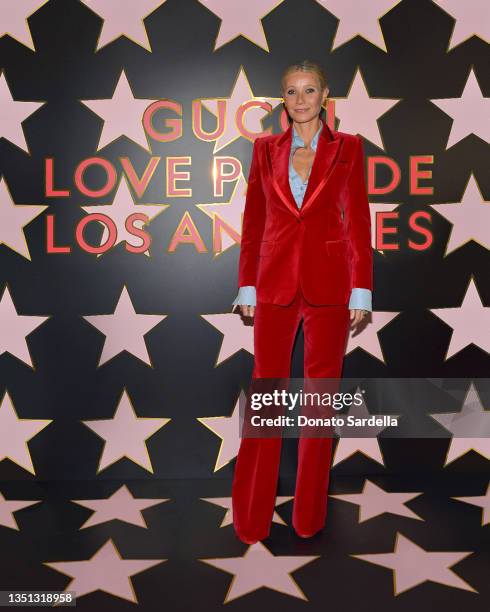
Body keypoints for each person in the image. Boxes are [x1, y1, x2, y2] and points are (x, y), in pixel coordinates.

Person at [231, 60, 373, 544]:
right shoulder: (264, 149)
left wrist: (361, 289)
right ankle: (250, 517)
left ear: (325, 94)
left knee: (319, 405)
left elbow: (357, 222)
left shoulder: (349, 149)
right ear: (283, 99)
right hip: (272, 287)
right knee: (266, 401)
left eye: (309, 90)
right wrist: (247, 283)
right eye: (292, 92)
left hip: (330, 289)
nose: (301, 100)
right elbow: (254, 221)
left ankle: (309, 516)